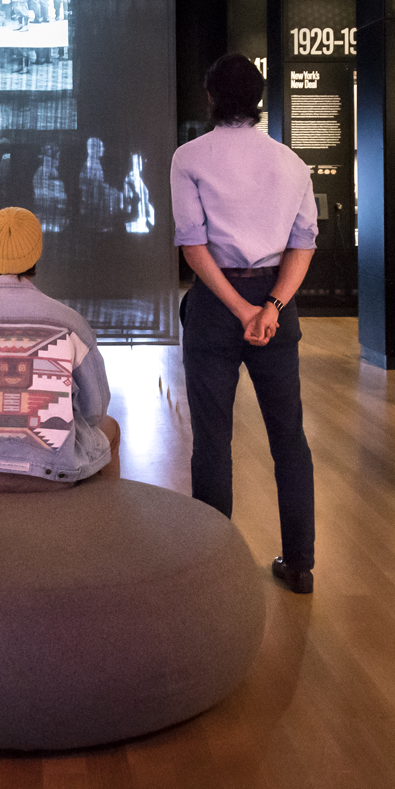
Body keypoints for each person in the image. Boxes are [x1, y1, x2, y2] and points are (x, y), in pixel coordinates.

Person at [171, 54, 319, 593]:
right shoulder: (291, 162)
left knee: (212, 439)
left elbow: (193, 247)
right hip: (276, 303)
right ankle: (300, 565)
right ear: (259, 99)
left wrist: (240, 309)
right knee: (289, 439)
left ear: (210, 97)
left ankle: (213, 568)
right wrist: (271, 308)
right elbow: (303, 246)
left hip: (216, 304)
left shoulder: (189, 157)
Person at [0, 206, 120, 492]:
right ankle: (105, 519)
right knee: (110, 428)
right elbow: (94, 412)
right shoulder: (71, 324)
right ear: (36, 252)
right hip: (54, 478)